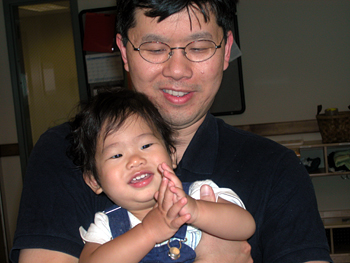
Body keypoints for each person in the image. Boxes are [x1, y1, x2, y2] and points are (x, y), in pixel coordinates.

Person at [11, 0, 332, 262]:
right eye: (154, 48)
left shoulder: (277, 169)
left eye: (200, 46)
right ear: (124, 50)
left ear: (226, 49)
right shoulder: (67, 152)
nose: (177, 70)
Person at [70, 89, 255, 262]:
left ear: (172, 154)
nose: (135, 160)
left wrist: (197, 210)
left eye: (146, 146)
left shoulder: (197, 193)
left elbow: (246, 226)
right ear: (94, 180)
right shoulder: (106, 225)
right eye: (116, 155)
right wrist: (148, 232)